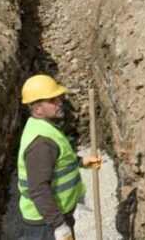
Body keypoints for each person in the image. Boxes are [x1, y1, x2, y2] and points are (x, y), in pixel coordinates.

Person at [17, 75, 102, 240]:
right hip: (46, 224)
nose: (60, 102)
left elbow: (57, 159)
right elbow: (38, 189)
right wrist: (59, 225)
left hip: (54, 217)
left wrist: (81, 162)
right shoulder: (41, 143)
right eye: (53, 100)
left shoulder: (45, 127)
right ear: (37, 108)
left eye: (58, 97)